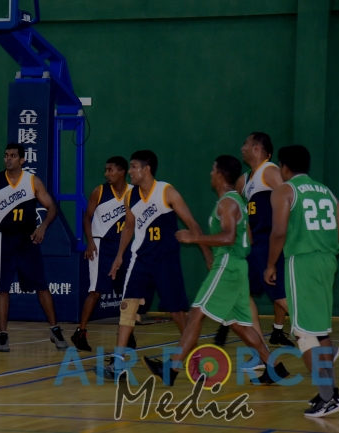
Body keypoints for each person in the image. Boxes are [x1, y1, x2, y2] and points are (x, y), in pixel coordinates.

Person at [142, 155, 289, 386]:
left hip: (228, 264)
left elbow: (229, 237)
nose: (210, 174)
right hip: (237, 265)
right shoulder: (236, 200)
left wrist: (194, 238)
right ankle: (274, 367)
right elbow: (248, 237)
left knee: (196, 314)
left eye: (213, 170)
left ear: (220, 175)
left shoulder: (228, 203)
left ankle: (171, 368)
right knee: (240, 325)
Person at [265, 145, 339, 417]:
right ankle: (331, 392)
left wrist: (270, 264)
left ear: (284, 167)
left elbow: (278, 232)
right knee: (320, 332)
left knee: (303, 335)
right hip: (328, 263)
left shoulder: (285, 190)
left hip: (302, 262)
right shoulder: (327, 192)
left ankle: (328, 399)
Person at [107, 150, 212, 362]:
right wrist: (119, 256)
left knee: (177, 312)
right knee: (128, 307)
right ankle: (118, 358)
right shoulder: (130, 196)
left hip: (166, 259)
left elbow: (192, 224)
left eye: (134, 166)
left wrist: (207, 255)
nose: (130, 171)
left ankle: (195, 355)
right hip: (140, 258)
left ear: (146, 169)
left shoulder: (166, 191)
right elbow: (129, 227)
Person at [0, 143, 69, 352]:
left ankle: (55, 329)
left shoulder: (32, 181)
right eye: (6, 155)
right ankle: (3, 334)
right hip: (4, 239)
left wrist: (43, 226)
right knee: (2, 288)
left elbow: (51, 207)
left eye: (13, 156)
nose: (8, 159)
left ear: (22, 160)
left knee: (42, 285)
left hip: (27, 240)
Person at [214, 132, 294, 361]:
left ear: (257, 149)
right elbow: (241, 215)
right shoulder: (244, 181)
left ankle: (316, 336)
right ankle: (261, 354)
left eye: (246, 144)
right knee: (242, 293)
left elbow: (291, 200)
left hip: (269, 243)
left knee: (280, 297)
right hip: (253, 246)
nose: (242, 147)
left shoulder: (270, 171)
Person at [71, 157, 133, 352]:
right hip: (101, 244)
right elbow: (87, 218)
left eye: (110, 170)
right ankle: (81, 332)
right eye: (106, 170)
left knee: (128, 292)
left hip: (123, 246)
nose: (106, 174)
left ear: (122, 172)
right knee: (96, 291)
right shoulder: (99, 191)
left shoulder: (133, 192)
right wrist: (90, 242)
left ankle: (127, 332)